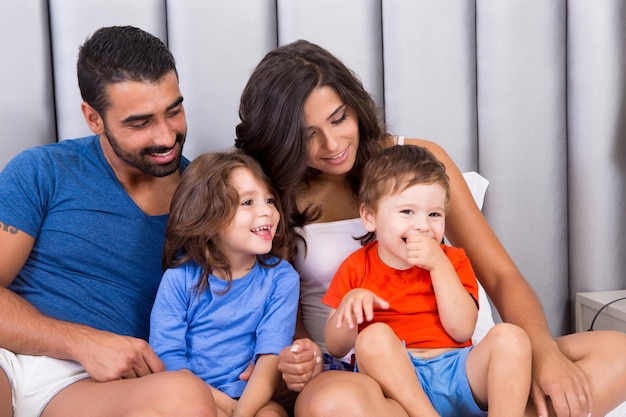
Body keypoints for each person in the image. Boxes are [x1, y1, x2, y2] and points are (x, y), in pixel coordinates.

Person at [234, 39, 626, 417]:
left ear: (354, 106)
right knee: (329, 404)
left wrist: (544, 353)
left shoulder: (419, 162)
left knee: (619, 354)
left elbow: (499, 275)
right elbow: (286, 314)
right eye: (308, 136)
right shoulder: (272, 195)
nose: (333, 143)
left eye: (339, 119)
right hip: (362, 376)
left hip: (455, 363)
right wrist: (302, 357)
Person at [0, 26, 218, 417]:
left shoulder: (208, 201)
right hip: (8, 356)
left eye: (174, 110)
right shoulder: (42, 170)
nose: (167, 136)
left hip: (91, 390)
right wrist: (80, 342)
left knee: (184, 399)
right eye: (140, 123)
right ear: (93, 118)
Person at [322, 145, 531, 417]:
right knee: (372, 338)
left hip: (457, 372)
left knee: (512, 337)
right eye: (407, 212)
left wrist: (438, 266)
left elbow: (462, 329)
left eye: (434, 214)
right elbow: (336, 348)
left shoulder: (453, 260)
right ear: (369, 217)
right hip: (396, 387)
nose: (423, 225)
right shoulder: (356, 266)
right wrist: (348, 310)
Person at [150, 150, 300, 417]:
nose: (266, 211)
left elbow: (270, 357)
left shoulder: (282, 278)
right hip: (189, 396)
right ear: (208, 220)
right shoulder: (179, 278)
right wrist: (224, 406)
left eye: (268, 199)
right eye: (247, 203)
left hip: (252, 397)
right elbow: (168, 359)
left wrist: (241, 412)